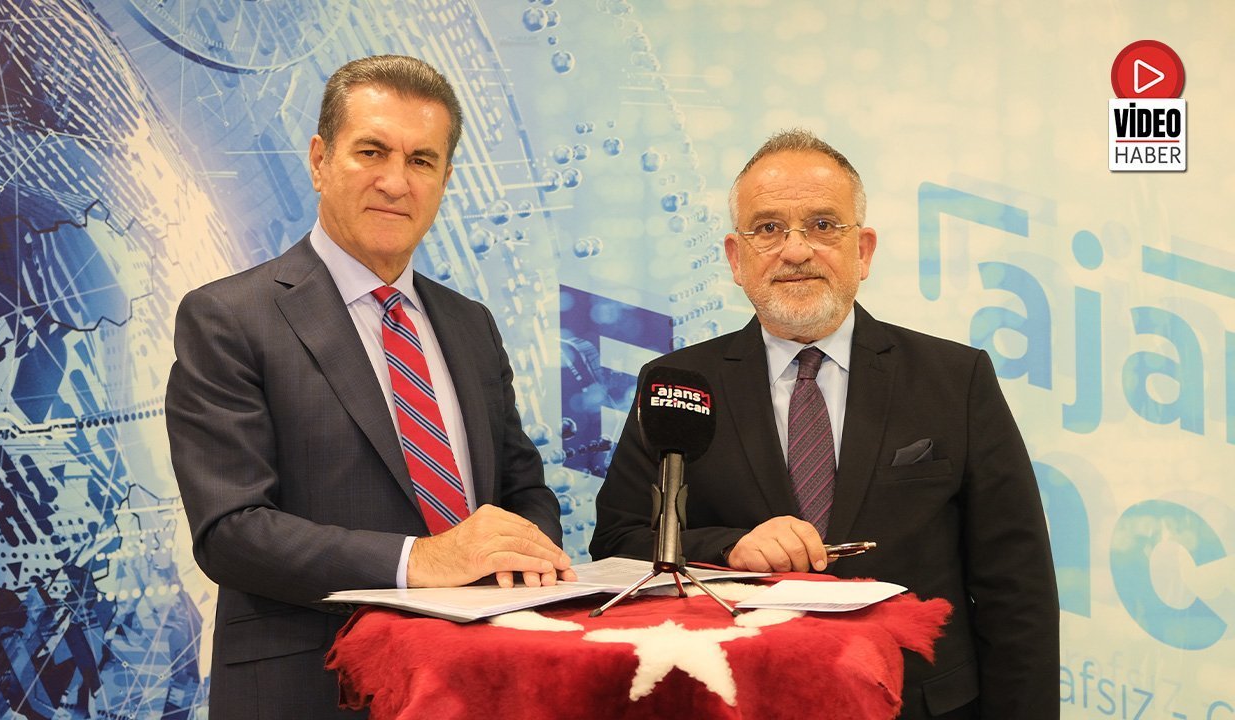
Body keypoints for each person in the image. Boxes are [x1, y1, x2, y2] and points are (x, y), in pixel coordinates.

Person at [590, 129, 1058, 719]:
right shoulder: (678, 382)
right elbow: (618, 543)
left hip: (917, 705)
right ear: (736, 259)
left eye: (822, 225)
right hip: (738, 702)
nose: (795, 251)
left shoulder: (955, 378)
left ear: (863, 250)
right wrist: (730, 548)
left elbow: (1016, 586)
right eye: (768, 228)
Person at [166, 55, 573, 720]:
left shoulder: (470, 324)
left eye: (422, 160)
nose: (395, 181)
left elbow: (523, 489)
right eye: (371, 151)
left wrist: (524, 552)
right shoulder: (228, 317)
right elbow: (231, 531)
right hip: (311, 692)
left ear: (444, 179)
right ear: (320, 160)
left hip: (481, 683)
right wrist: (421, 561)